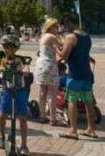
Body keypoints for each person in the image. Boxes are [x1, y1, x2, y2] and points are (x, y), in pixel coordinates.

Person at [59, 12, 98, 140]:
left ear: (69, 23)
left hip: (75, 74)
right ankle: (91, 129)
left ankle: (73, 130)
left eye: (65, 25)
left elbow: (63, 56)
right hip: (87, 73)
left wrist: (56, 48)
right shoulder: (87, 36)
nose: (65, 28)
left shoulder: (71, 37)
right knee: (88, 102)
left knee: (72, 100)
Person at [0, 34, 30, 156]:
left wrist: (24, 71)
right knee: (2, 114)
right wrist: (0, 70)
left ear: (15, 48)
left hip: (20, 91)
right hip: (7, 91)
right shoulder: (3, 60)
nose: (7, 50)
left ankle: (24, 145)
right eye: (5, 47)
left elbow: (26, 68)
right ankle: (1, 135)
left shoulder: (20, 59)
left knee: (23, 118)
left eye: (10, 47)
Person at [34, 18, 65, 126]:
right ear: (50, 27)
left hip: (40, 65)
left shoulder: (43, 36)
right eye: (56, 26)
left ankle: (42, 116)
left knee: (42, 92)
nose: (58, 28)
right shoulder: (52, 37)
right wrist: (60, 38)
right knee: (52, 92)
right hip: (50, 65)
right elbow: (63, 44)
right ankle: (53, 119)